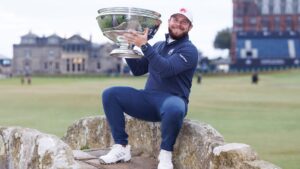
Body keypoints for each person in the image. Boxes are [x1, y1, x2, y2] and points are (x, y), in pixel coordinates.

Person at [99, 8, 198, 169]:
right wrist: (128, 46)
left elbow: (166, 69)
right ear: (169, 22)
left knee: (174, 107)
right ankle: (121, 148)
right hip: (148, 100)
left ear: (190, 27)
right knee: (110, 94)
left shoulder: (189, 50)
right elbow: (138, 70)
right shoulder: (158, 46)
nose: (178, 24)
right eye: (175, 19)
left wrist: (145, 46)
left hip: (172, 102)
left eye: (184, 22)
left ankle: (165, 155)